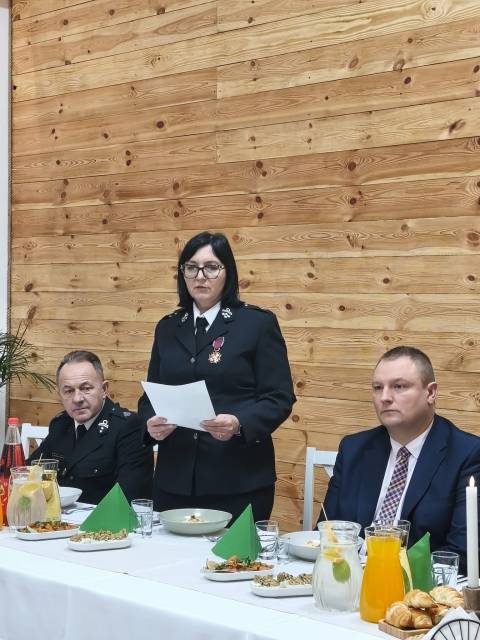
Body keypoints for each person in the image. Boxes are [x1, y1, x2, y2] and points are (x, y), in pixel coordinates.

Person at [138, 231, 295, 522]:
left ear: (227, 272)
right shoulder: (168, 327)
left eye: (211, 267)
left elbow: (279, 397)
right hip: (175, 479)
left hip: (238, 479)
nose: (200, 276)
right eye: (191, 267)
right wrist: (151, 425)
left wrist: (238, 424)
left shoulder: (256, 324)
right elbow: (149, 397)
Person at [319, 346, 480, 571]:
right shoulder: (354, 448)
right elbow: (326, 532)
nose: (385, 397)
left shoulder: (467, 453)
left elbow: (461, 554)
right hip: (348, 575)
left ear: (431, 393)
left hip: (420, 584)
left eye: (399, 386)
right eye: (378, 388)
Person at [29, 351, 153, 504]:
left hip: (104, 517)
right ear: (60, 394)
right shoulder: (60, 424)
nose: (77, 399)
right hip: (58, 515)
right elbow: (29, 471)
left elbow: (129, 496)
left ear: (104, 389)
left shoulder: (128, 427)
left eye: (86, 388)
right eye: (68, 391)